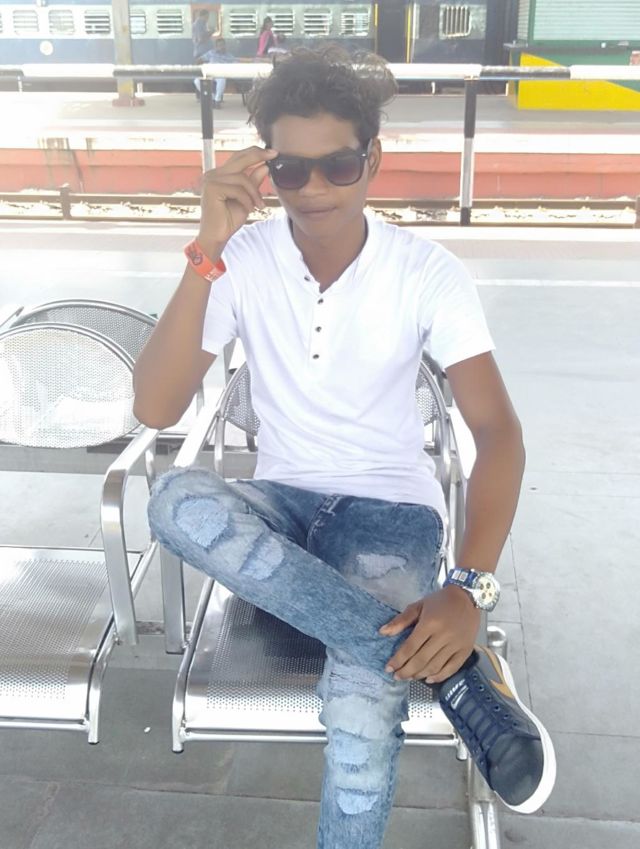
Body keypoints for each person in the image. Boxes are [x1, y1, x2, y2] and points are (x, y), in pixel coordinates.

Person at [134, 47, 556, 849]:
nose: (316, 189)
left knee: (365, 701)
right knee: (173, 500)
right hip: (283, 508)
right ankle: (458, 677)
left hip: (389, 510)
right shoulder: (239, 262)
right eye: (291, 170)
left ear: (374, 160)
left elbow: (498, 431)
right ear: (265, 170)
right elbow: (155, 406)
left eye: (339, 165)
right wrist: (205, 247)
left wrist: (468, 588)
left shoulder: (426, 271)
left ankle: (394, 658)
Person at [194, 37, 235, 109]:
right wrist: (200, 64)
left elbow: (235, 64)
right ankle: (212, 97)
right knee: (197, 81)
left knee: (222, 80)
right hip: (210, 73)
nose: (221, 47)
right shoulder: (211, 53)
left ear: (225, 46)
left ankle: (217, 101)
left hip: (220, 74)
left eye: (223, 45)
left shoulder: (228, 56)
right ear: (216, 46)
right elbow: (200, 60)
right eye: (219, 45)